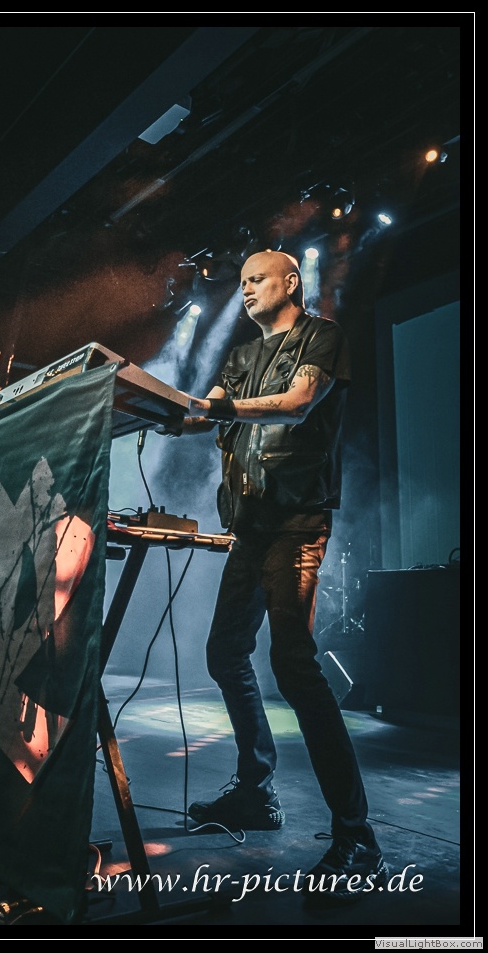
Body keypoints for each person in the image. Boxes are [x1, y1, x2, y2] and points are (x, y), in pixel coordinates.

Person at [167, 248, 387, 901]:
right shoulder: (239, 356)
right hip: (253, 526)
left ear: (291, 282)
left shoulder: (322, 336)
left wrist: (218, 410)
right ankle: (257, 793)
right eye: (240, 282)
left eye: (255, 279)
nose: (244, 290)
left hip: (297, 522)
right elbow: (208, 412)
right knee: (225, 651)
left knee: (292, 664)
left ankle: (357, 837)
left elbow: (298, 403)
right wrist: (159, 407)